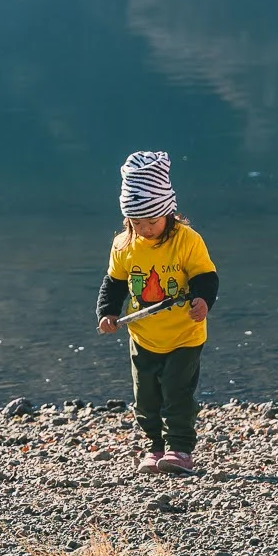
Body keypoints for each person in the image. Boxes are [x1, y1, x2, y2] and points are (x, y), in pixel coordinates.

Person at [95, 150, 218, 474]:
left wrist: (203, 302)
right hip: (143, 335)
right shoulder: (124, 244)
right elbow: (115, 284)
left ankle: (179, 449)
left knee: (177, 392)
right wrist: (107, 313)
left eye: (152, 221)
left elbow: (206, 278)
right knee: (146, 397)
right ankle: (154, 447)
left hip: (184, 335)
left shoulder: (186, 241)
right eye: (137, 222)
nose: (146, 229)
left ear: (169, 213)